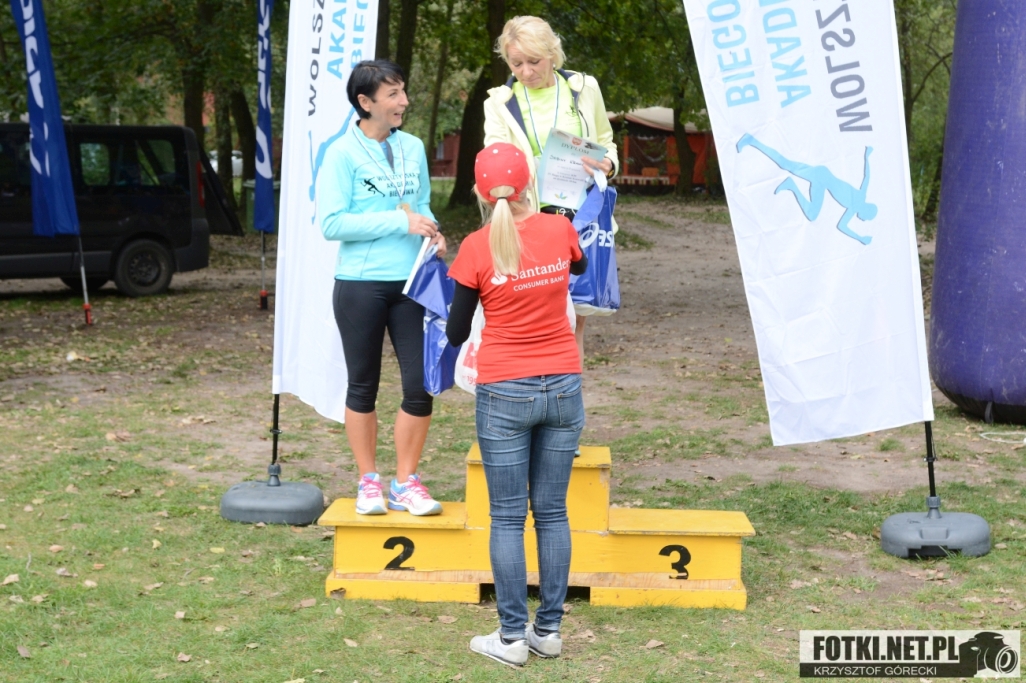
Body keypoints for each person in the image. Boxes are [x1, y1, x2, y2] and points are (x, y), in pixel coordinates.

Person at [447, 143, 588, 667]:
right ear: (530, 183)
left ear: (481, 193)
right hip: (564, 386)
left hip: (505, 389)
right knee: (552, 512)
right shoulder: (559, 228)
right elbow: (579, 267)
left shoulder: (475, 247)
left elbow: (457, 332)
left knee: (507, 517)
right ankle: (547, 632)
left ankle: (510, 638)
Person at [318, 60, 446, 516]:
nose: (404, 101)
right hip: (360, 285)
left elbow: (421, 204)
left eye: (403, 91)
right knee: (363, 386)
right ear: (365, 102)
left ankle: (406, 483)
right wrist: (399, 222)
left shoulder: (413, 146)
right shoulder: (340, 153)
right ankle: (368, 481)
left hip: (412, 283)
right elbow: (332, 223)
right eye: (393, 94)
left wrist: (432, 231)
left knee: (420, 385)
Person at [483, 15, 618, 360]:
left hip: (579, 218)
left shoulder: (584, 88)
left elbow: (606, 140)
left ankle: (569, 393)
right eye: (516, 63)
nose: (526, 72)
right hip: (527, 219)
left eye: (534, 61)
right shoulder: (499, 102)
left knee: (574, 322)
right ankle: (533, 387)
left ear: (552, 54)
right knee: (533, 318)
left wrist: (608, 163)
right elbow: (494, 156)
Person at [736, 133, 877, 245]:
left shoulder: (856, 203)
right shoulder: (856, 202)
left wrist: (867, 157)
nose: (863, 220)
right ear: (867, 210)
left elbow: (867, 178)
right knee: (785, 164)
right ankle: (751, 140)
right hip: (821, 176)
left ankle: (791, 185)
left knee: (811, 213)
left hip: (822, 181)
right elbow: (867, 178)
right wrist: (867, 157)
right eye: (867, 218)